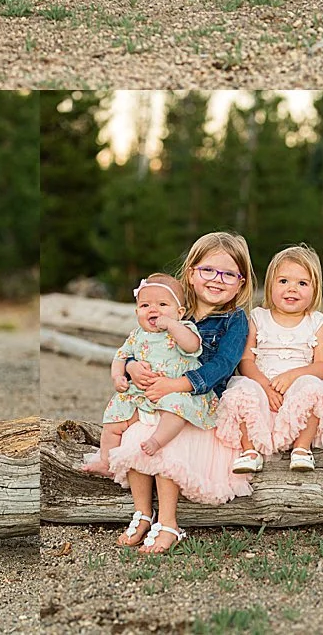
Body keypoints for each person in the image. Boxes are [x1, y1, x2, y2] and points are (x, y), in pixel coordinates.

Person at [85, 232, 255, 554]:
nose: (217, 280)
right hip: (159, 401)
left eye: (228, 274)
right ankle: (142, 513)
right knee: (136, 438)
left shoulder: (234, 320)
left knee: (168, 450)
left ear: (241, 283)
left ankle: (169, 523)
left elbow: (223, 364)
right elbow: (141, 345)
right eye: (208, 270)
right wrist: (132, 366)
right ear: (191, 273)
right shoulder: (172, 308)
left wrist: (178, 385)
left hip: (199, 404)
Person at [215, 244, 323, 473]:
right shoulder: (257, 317)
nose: (292, 289)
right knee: (241, 390)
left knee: (315, 388)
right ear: (270, 285)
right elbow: (245, 362)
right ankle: (250, 451)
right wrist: (264, 386)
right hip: (263, 390)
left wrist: (294, 375)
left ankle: (302, 449)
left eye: (302, 283)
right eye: (283, 281)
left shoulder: (316, 321)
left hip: (298, 391)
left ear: (315, 289)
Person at [92, 274, 213, 473]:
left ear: (180, 312)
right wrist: (118, 377)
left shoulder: (183, 328)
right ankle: (106, 461)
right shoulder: (136, 335)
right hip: (141, 394)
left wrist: (172, 325)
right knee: (113, 418)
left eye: (162, 304)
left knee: (177, 410)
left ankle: (157, 441)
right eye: (145, 305)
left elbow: (192, 346)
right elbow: (120, 357)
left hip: (174, 390)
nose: (153, 310)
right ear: (137, 310)